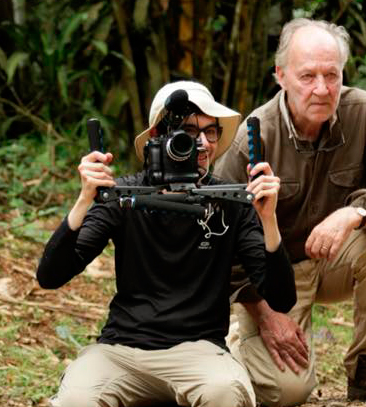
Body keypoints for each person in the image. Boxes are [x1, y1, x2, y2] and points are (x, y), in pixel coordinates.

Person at [36, 81, 297, 407]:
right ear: (159, 137)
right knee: (77, 399)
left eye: (210, 132)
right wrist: (83, 201)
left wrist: (268, 220)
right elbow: (50, 275)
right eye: (188, 132)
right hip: (123, 350)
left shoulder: (231, 201)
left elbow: (282, 297)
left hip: (199, 350)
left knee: (225, 392)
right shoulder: (124, 195)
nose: (200, 143)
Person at [213, 19, 366, 405]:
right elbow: (220, 238)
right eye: (308, 76)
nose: (322, 89)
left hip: (336, 258)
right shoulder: (253, 137)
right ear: (281, 76)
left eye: (332, 75)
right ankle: (227, 351)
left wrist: (353, 214)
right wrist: (263, 314)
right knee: (287, 392)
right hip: (274, 279)